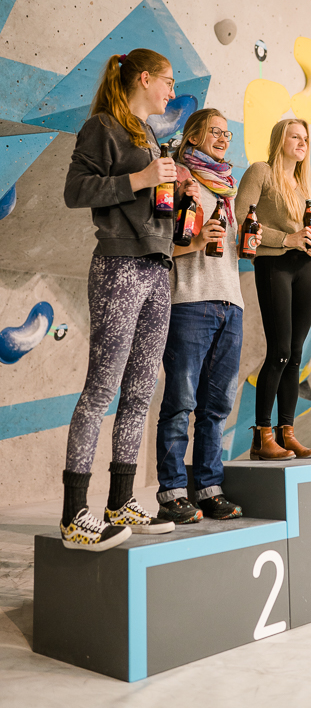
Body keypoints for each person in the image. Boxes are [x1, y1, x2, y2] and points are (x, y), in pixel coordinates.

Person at [61, 48, 192, 550]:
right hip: (119, 265)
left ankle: (120, 501)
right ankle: (75, 514)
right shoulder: (103, 127)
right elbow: (75, 190)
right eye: (167, 82)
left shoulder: (150, 134)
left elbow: (148, 198)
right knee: (102, 390)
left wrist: (176, 191)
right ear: (143, 78)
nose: (170, 92)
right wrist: (140, 178)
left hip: (159, 265)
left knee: (140, 391)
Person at [156, 109, 261, 522]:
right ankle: (171, 492)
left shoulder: (228, 188)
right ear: (194, 135)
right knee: (181, 403)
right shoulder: (178, 176)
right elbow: (159, 241)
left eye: (227, 133)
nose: (223, 138)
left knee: (216, 406)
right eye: (215, 131)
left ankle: (208, 488)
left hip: (229, 303)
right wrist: (197, 240)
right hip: (189, 301)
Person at [236, 119, 311, 460]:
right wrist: (287, 239)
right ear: (279, 140)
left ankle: (287, 433)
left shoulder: (302, 185)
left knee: (296, 355)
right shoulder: (261, 171)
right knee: (280, 351)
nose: (302, 143)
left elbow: (306, 231)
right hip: (273, 266)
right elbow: (243, 218)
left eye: (305, 138)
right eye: (294, 137)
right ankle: (262, 436)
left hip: (304, 268)